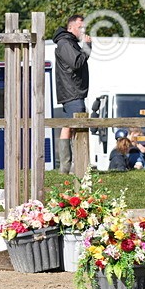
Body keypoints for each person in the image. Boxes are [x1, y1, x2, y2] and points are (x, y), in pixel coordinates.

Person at [53, 15, 92, 173]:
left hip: (72, 91)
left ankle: (66, 167)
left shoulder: (69, 42)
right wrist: (87, 46)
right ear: (70, 28)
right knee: (77, 127)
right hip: (72, 92)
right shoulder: (65, 43)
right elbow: (76, 63)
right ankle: (75, 167)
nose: (83, 31)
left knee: (68, 126)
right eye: (80, 28)